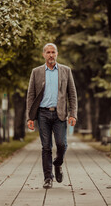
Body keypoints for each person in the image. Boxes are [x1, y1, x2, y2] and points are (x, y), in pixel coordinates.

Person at [27, 43, 77, 189]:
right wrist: (30, 117)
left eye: (53, 52)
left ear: (57, 54)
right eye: (48, 52)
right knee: (46, 147)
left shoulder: (66, 71)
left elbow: (72, 94)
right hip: (42, 113)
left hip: (60, 113)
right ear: (43, 55)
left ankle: (58, 163)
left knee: (62, 144)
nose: (50, 55)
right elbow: (30, 95)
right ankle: (48, 178)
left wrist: (73, 114)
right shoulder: (36, 72)